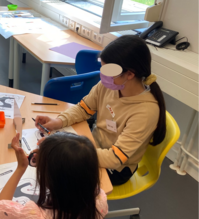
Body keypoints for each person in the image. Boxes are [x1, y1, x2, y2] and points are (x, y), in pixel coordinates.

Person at [35, 35, 166, 185]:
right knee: (52, 167)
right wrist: (58, 121)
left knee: (58, 175)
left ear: (130, 74)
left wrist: (72, 152)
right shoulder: (109, 85)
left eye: (109, 71)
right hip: (94, 146)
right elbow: (83, 109)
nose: (103, 75)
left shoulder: (145, 112)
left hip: (116, 167)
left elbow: (115, 158)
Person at [0, 132, 108, 219]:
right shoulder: (100, 200)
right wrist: (53, 149)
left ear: (53, 180)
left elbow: (0, 208)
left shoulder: (37, 218)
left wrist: (21, 168)